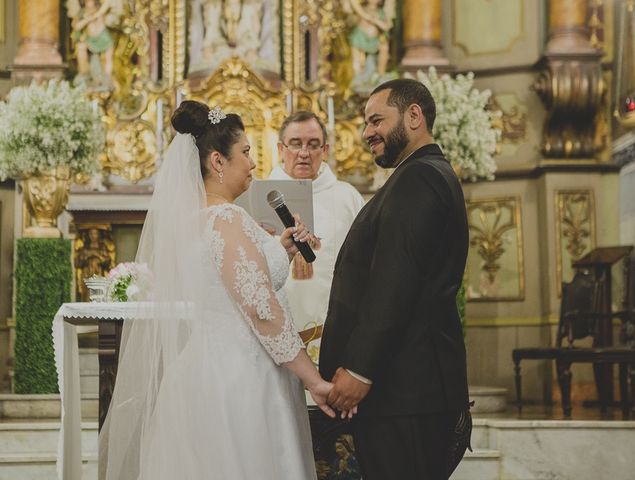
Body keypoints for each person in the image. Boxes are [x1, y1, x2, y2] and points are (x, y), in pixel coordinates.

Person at [99, 100, 342, 480]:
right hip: (240, 379)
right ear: (217, 161)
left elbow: (233, 282)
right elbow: (261, 309)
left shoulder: (198, 220)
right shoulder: (226, 217)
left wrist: (279, 250)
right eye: (245, 152)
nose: (252, 163)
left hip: (206, 368)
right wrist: (313, 380)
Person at [319, 78, 471, 479]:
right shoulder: (419, 175)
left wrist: (359, 370)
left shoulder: (418, 178)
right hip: (407, 390)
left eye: (376, 120)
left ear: (414, 115)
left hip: (408, 392)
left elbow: (394, 281)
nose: (367, 132)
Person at [269, 111, 365, 362]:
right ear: (281, 148)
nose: (304, 152)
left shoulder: (347, 197)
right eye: (295, 144)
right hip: (275, 326)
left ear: (325, 149)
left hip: (337, 327)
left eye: (313, 145)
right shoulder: (262, 195)